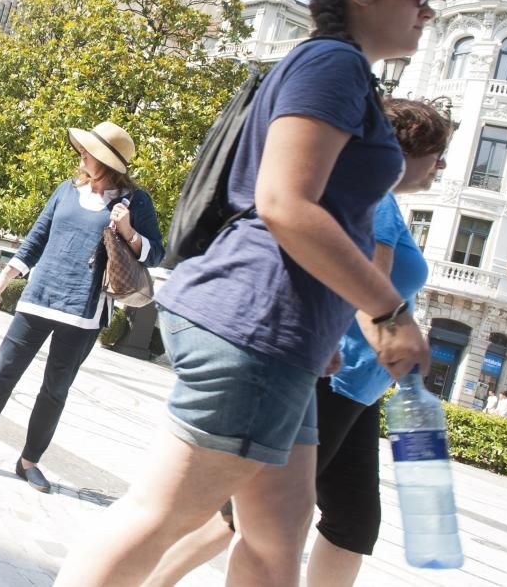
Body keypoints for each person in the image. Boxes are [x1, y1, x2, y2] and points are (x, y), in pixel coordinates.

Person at [54, 0, 450, 587]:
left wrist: (327, 323)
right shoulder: (334, 64)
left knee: (278, 533)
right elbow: (284, 204)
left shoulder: (335, 69)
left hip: (279, 332)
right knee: (160, 515)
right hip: (256, 325)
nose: (428, 8)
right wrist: (387, 312)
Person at [143, 99, 451, 587]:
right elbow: (369, 294)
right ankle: (151, 580)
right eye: (437, 154)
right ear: (403, 151)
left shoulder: (386, 206)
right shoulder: (382, 206)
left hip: (359, 390)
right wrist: (399, 345)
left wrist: (404, 336)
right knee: (246, 517)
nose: (442, 167)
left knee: (350, 525)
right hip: (333, 380)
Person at [0, 121, 164, 493]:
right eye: (83, 149)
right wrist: (6, 277)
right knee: (3, 371)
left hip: (84, 310)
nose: (81, 154)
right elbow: (38, 236)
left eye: (89, 152)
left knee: (56, 389)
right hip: (39, 298)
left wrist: (129, 231)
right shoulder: (67, 190)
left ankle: (29, 461)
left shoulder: (135, 201)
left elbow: (155, 253)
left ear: (108, 162)